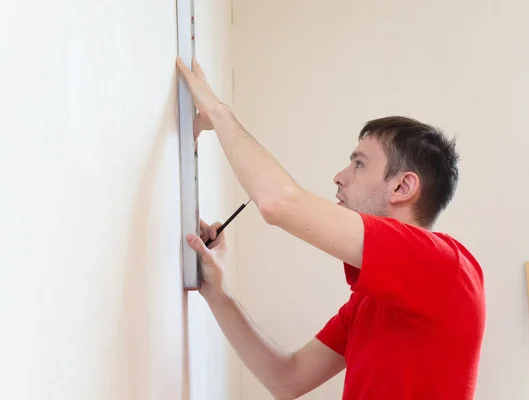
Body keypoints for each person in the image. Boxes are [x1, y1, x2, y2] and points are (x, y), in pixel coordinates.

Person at [176, 57, 486, 400]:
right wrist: (218, 292)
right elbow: (286, 379)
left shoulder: (442, 266)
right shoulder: (372, 300)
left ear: (402, 187)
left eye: (359, 164)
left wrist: (218, 114)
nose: (340, 176)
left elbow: (279, 203)